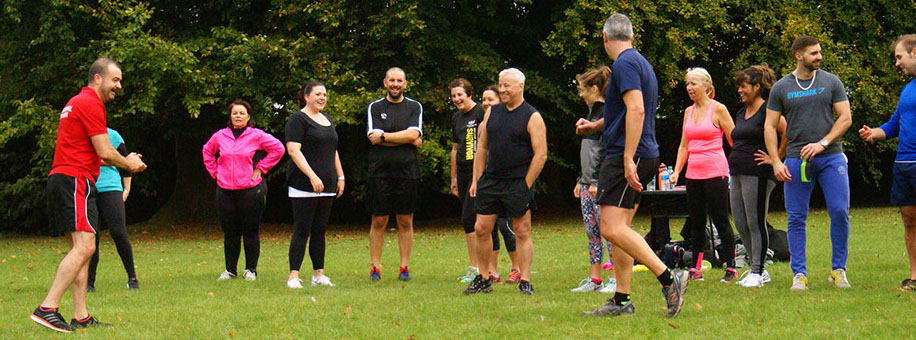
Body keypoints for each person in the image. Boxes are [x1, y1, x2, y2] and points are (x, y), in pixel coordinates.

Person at [576, 13, 688, 317]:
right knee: (620, 229)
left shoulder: (623, 64)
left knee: (610, 227)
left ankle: (669, 277)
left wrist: (627, 158)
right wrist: (595, 126)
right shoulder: (640, 63)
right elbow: (623, 113)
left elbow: (636, 109)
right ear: (632, 35)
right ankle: (621, 300)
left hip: (629, 153)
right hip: (640, 151)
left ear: (605, 38)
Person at [31, 58, 146, 333]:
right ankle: (47, 308)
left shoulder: (76, 102)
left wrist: (122, 159)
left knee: (79, 250)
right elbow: (106, 152)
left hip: (65, 178)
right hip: (75, 180)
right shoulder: (92, 104)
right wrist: (128, 163)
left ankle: (80, 316)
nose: (119, 85)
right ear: (97, 78)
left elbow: (96, 153)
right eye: (115, 79)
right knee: (86, 247)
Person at [764, 35, 853, 291]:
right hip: (796, 159)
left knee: (839, 211)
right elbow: (770, 126)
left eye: (820, 52)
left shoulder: (831, 81)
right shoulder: (781, 87)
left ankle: (838, 271)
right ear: (798, 56)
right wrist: (775, 161)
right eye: (814, 53)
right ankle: (799, 275)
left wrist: (822, 143)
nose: (819, 56)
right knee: (796, 217)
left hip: (831, 156)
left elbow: (845, 118)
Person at [463, 68, 547, 295]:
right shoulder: (492, 113)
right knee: (481, 228)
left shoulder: (532, 116)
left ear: (521, 87)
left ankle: (525, 280)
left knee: (521, 231)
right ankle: (483, 279)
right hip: (491, 181)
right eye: (500, 85)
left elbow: (541, 155)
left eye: (507, 86)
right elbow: (482, 147)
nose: (502, 90)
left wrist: (525, 185)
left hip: (518, 181)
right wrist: (479, 179)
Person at [202, 100, 284, 282]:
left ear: (248, 117)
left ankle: (251, 270)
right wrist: (214, 172)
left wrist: (261, 168)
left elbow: (278, 149)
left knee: (250, 230)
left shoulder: (257, 135)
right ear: (230, 117)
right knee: (230, 231)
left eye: (242, 113)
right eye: (235, 113)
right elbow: (207, 151)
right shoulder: (220, 136)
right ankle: (230, 270)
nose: (238, 116)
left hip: (250, 190)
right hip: (225, 190)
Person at [669, 67, 738, 282]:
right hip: (693, 174)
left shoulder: (718, 109)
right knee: (696, 220)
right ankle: (695, 268)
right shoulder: (688, 112)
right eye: (687, 84)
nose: (689, 88)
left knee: (720, 219)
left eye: (693, 84)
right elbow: (684, 145)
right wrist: (677, 171)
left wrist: (736, 167)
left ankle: (731, 267)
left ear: (706, 86)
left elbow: (734, 139)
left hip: (715, 172)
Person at [858, 34, 916, 291]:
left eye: (899, 57)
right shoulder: (907, 89)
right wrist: (874, 133)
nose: (896, 64)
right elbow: (895, 124)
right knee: (909, 221)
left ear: (914, 52)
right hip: (904, 164)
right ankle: (915, 277)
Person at [450, 80, 518, 284]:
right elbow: (456, 148)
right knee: (481, 223)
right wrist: (454, 177)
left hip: (488, 175)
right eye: (453, 96)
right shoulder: (456, 118)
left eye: (460, 94)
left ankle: (514, 268)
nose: (456, 99)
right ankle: (488, 269)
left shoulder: (483, 114)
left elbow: (483, 150)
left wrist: (477, 179)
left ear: (470, 94)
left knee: (500, 223)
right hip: (467, 174)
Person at [729, 65, 786, 288]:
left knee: (755, 221)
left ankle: (757, 270)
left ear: (757, 87)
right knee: (741, 222)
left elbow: (787, 131)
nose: (740, 91)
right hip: (738, 173)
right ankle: (758, 269)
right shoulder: (741, 113)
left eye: (743, 87)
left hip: (759, 174)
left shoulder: (768, 111)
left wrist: (776, 158)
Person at [285, 82, 345, 289]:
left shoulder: (327, 119)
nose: (322, 97)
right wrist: (312, 176)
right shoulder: (297, 119)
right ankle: (293, 276)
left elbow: (333, 150)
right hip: (303, 184)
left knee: (320, 230)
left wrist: (341, 176)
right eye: (318, 94)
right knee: (302, 229)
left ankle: (318, 274)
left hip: (327, 184)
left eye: (325, 94)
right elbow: (293, 150)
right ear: (306, 96)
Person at [366, 67, 423, 281]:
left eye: (400, 80)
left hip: (408, 171)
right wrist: (406, 138)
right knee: (379, 220)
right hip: (380, 171)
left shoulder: (414, 107)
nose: (396, 84)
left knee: (405, 220)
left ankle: (404, 267)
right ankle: (375, 267)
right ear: (385, 82)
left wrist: (385, 137)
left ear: (405, 84)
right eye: (392, 80)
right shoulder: (375, 107)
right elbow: (373, 136)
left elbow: (415, 133)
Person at [570, 67, 617, 293]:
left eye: (583, 89)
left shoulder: (607, 114)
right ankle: (595, 279)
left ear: (595, 88)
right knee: (592, 233)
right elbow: (588, 153)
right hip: (587, 184)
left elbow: (606, 151)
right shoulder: (590, 113)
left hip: (602, 184)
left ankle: (616, 278)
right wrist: (582, 180)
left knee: (609, 232)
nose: (580, 94)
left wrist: (598, 182)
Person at [87, 128, 139, 292]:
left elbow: (125, 165)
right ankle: (89, 283)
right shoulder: (83, 135)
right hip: (88, 187)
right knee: (91, 237)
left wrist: (127, 189)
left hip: (111, 187)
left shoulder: (114, 135)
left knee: (118, 232)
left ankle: (132, 278)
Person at [479, 85, 521, 284]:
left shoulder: (510, 121)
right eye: (484, 99)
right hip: (489, 183)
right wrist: (476, 180)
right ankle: (491, 270)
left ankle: (517, 268)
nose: (486, 103)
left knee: (507, 227)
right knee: (487, 228)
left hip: (509, 183)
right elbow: (480, 153)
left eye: (491, 99)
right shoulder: (484, 124)